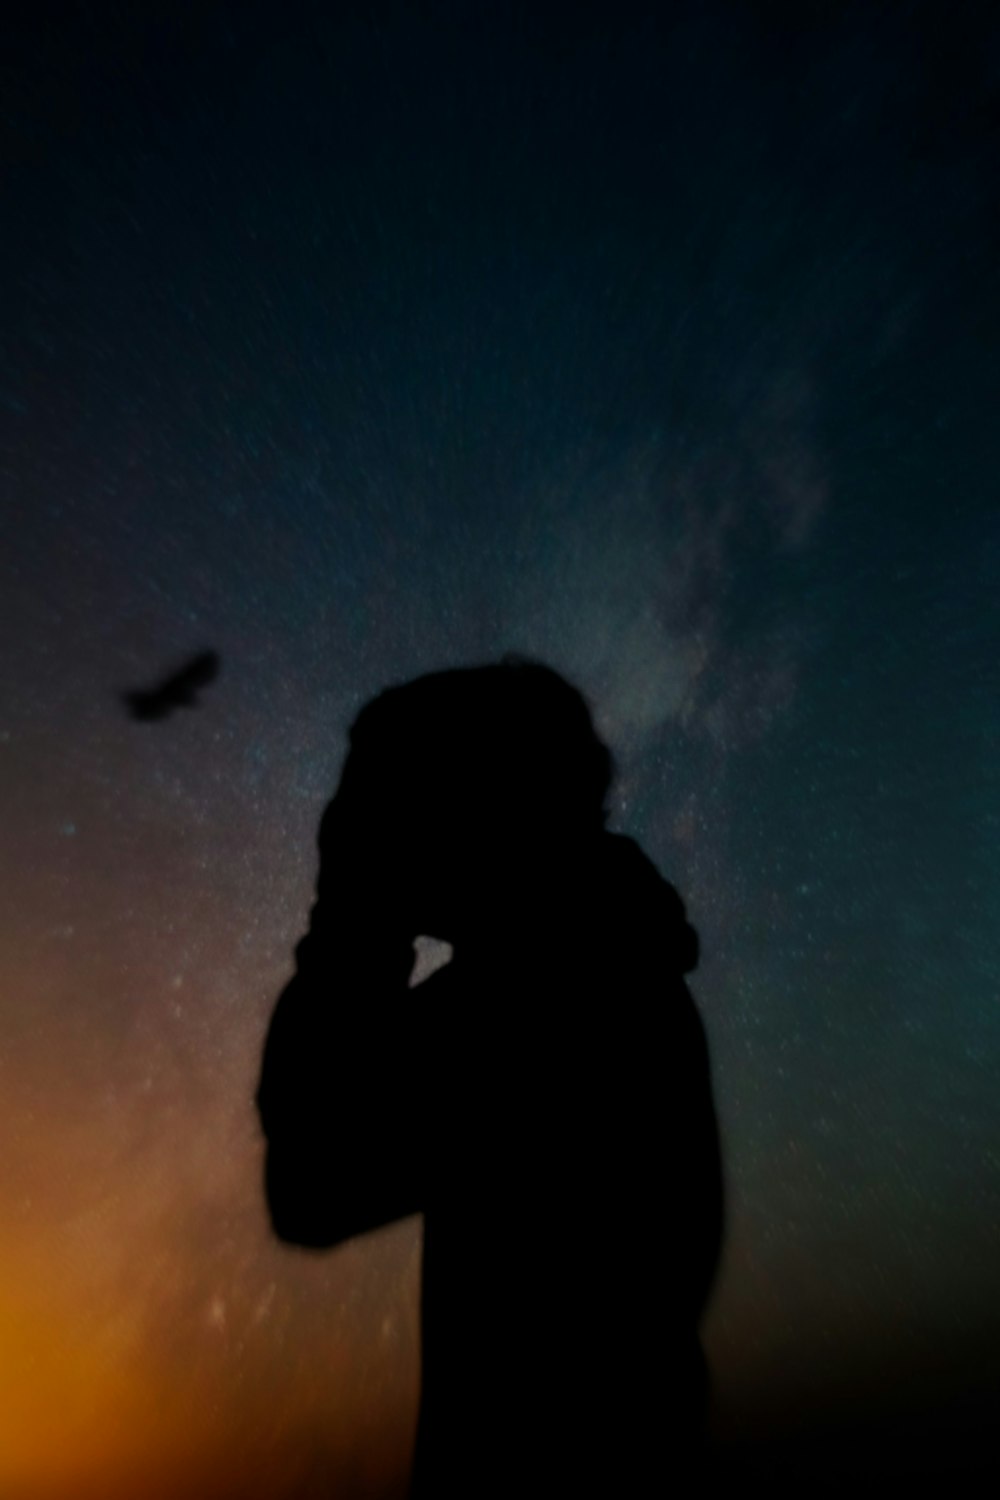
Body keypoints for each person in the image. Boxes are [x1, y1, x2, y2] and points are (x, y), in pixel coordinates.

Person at [256, 655, 723, 1495]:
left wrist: (351, 922)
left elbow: (310, 1181)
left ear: (471, 801)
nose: (349, 824)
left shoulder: (546, 992)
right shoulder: (598, 957)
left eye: (378, 795)